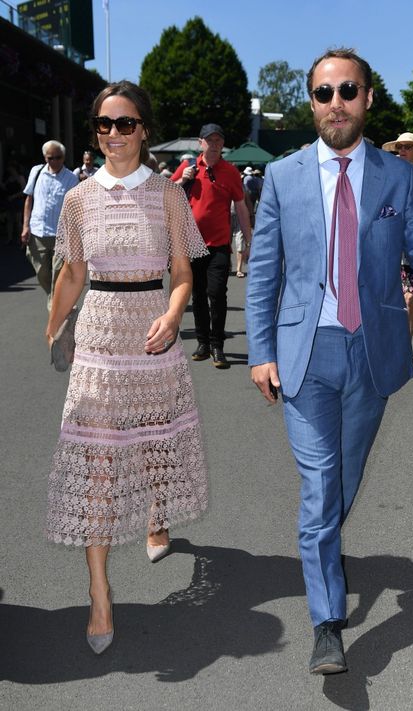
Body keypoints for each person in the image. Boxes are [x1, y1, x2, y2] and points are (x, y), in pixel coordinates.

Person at [246, 48, 413, 676]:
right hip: (305, 354)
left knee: (340, 484)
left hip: (370, 354)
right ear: (311, 102)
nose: (335, 103)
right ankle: (327, 622)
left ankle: (321, 544)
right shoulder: (284, 177)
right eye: (323, 93)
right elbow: (263, 273)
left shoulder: (396, 178)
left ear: (367, 97)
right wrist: (260, 351)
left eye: (347, 90)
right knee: (321, 489)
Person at [45, 80, 208, 655]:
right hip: (98, 334)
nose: (115, 135)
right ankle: (99, 595)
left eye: (127, 123)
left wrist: (172, 313)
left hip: (152, 331)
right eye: (104, 125)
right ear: (95, 132)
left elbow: (184, 274)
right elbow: (71, 275)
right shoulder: (77, 199)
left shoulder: (167, 193)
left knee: (151, 442)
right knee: (96, 464)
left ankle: (156, 516)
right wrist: (53, 326)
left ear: (144, 129)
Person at [171, 124, 252, 369]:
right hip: (192, 244)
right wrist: (183, 181)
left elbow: (240, 206)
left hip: (218, 244)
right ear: (201, 142)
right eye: (210, 140)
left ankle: (217, 345)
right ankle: (203, 342)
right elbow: (167, 197)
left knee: (216, 294)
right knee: (197, 295)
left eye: (218, 140)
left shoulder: (230, 172)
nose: (214, 145)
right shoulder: (188, 167)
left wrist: (249, 240)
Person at [381, 132, 413, 351]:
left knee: (411, 298)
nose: (402, 150)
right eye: (399, 146)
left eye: (408, 147)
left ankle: (406, 346)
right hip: (389, 243)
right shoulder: (387, 176)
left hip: (412, 245)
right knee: (393, 298)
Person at [22, 140, 78, 309]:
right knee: (42, 273)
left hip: (61, 235)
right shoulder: (36, 171)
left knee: (58, 275)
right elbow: (29, 198)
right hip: (37, 232)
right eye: (50, 158)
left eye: (58, 157)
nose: (54, 161)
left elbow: (74, 208)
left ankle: (55, 312)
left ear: (64, 157)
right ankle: (55, 301)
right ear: (45, 158)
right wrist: (25, 226)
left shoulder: (71, 178)